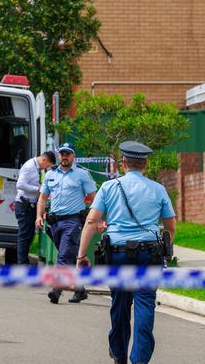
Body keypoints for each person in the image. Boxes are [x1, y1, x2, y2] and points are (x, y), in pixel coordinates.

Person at [77, 141, 176, 364]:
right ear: (146, 164)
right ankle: (139, 360)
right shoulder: (157, 189)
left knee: (120, 304)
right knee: (144, 306)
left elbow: (92, 220)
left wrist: (81, 256)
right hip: (149, 256)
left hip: (118, 254)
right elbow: (170, 227)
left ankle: (119, 354)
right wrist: (166, 251)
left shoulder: (109, 187)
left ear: (123, 163)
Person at [36, 142, 96, 304]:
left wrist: (94, 219)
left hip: (73, 221)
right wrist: (39, 216)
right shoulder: (51, 174)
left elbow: (94, 199)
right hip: (55, 223)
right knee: (68, 256)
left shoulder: (81, 174)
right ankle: (79, 290)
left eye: (68, 154)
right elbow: (42, 197)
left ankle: (57, 289)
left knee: (63, 257)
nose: (65, 156)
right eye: (62, 153)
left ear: (73, 156)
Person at [15, 151, 56, 264]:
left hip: (31, 205)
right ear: (44, 160)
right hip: (24, 205)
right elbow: (20, 184)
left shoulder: (36, 167)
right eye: (47, 166)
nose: (46, 168)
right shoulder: (29, 166)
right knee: (24, 237)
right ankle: (22, 265)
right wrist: (38, 188)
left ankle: (23, 262)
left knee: (29, 236)